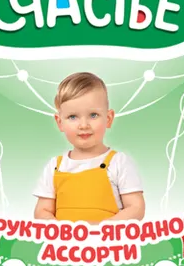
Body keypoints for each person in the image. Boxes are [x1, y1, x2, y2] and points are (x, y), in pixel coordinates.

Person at [33, 72, 145, 222]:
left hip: (106, 237)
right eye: (73, 117)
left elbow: (136, 207)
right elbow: (42, 210)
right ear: (60, 122)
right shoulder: (55, 167)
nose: (84, 125)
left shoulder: (118, 162)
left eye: (93, 115)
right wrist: (56, 227)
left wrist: (107, 227)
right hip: (65, 237)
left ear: (108, 118)